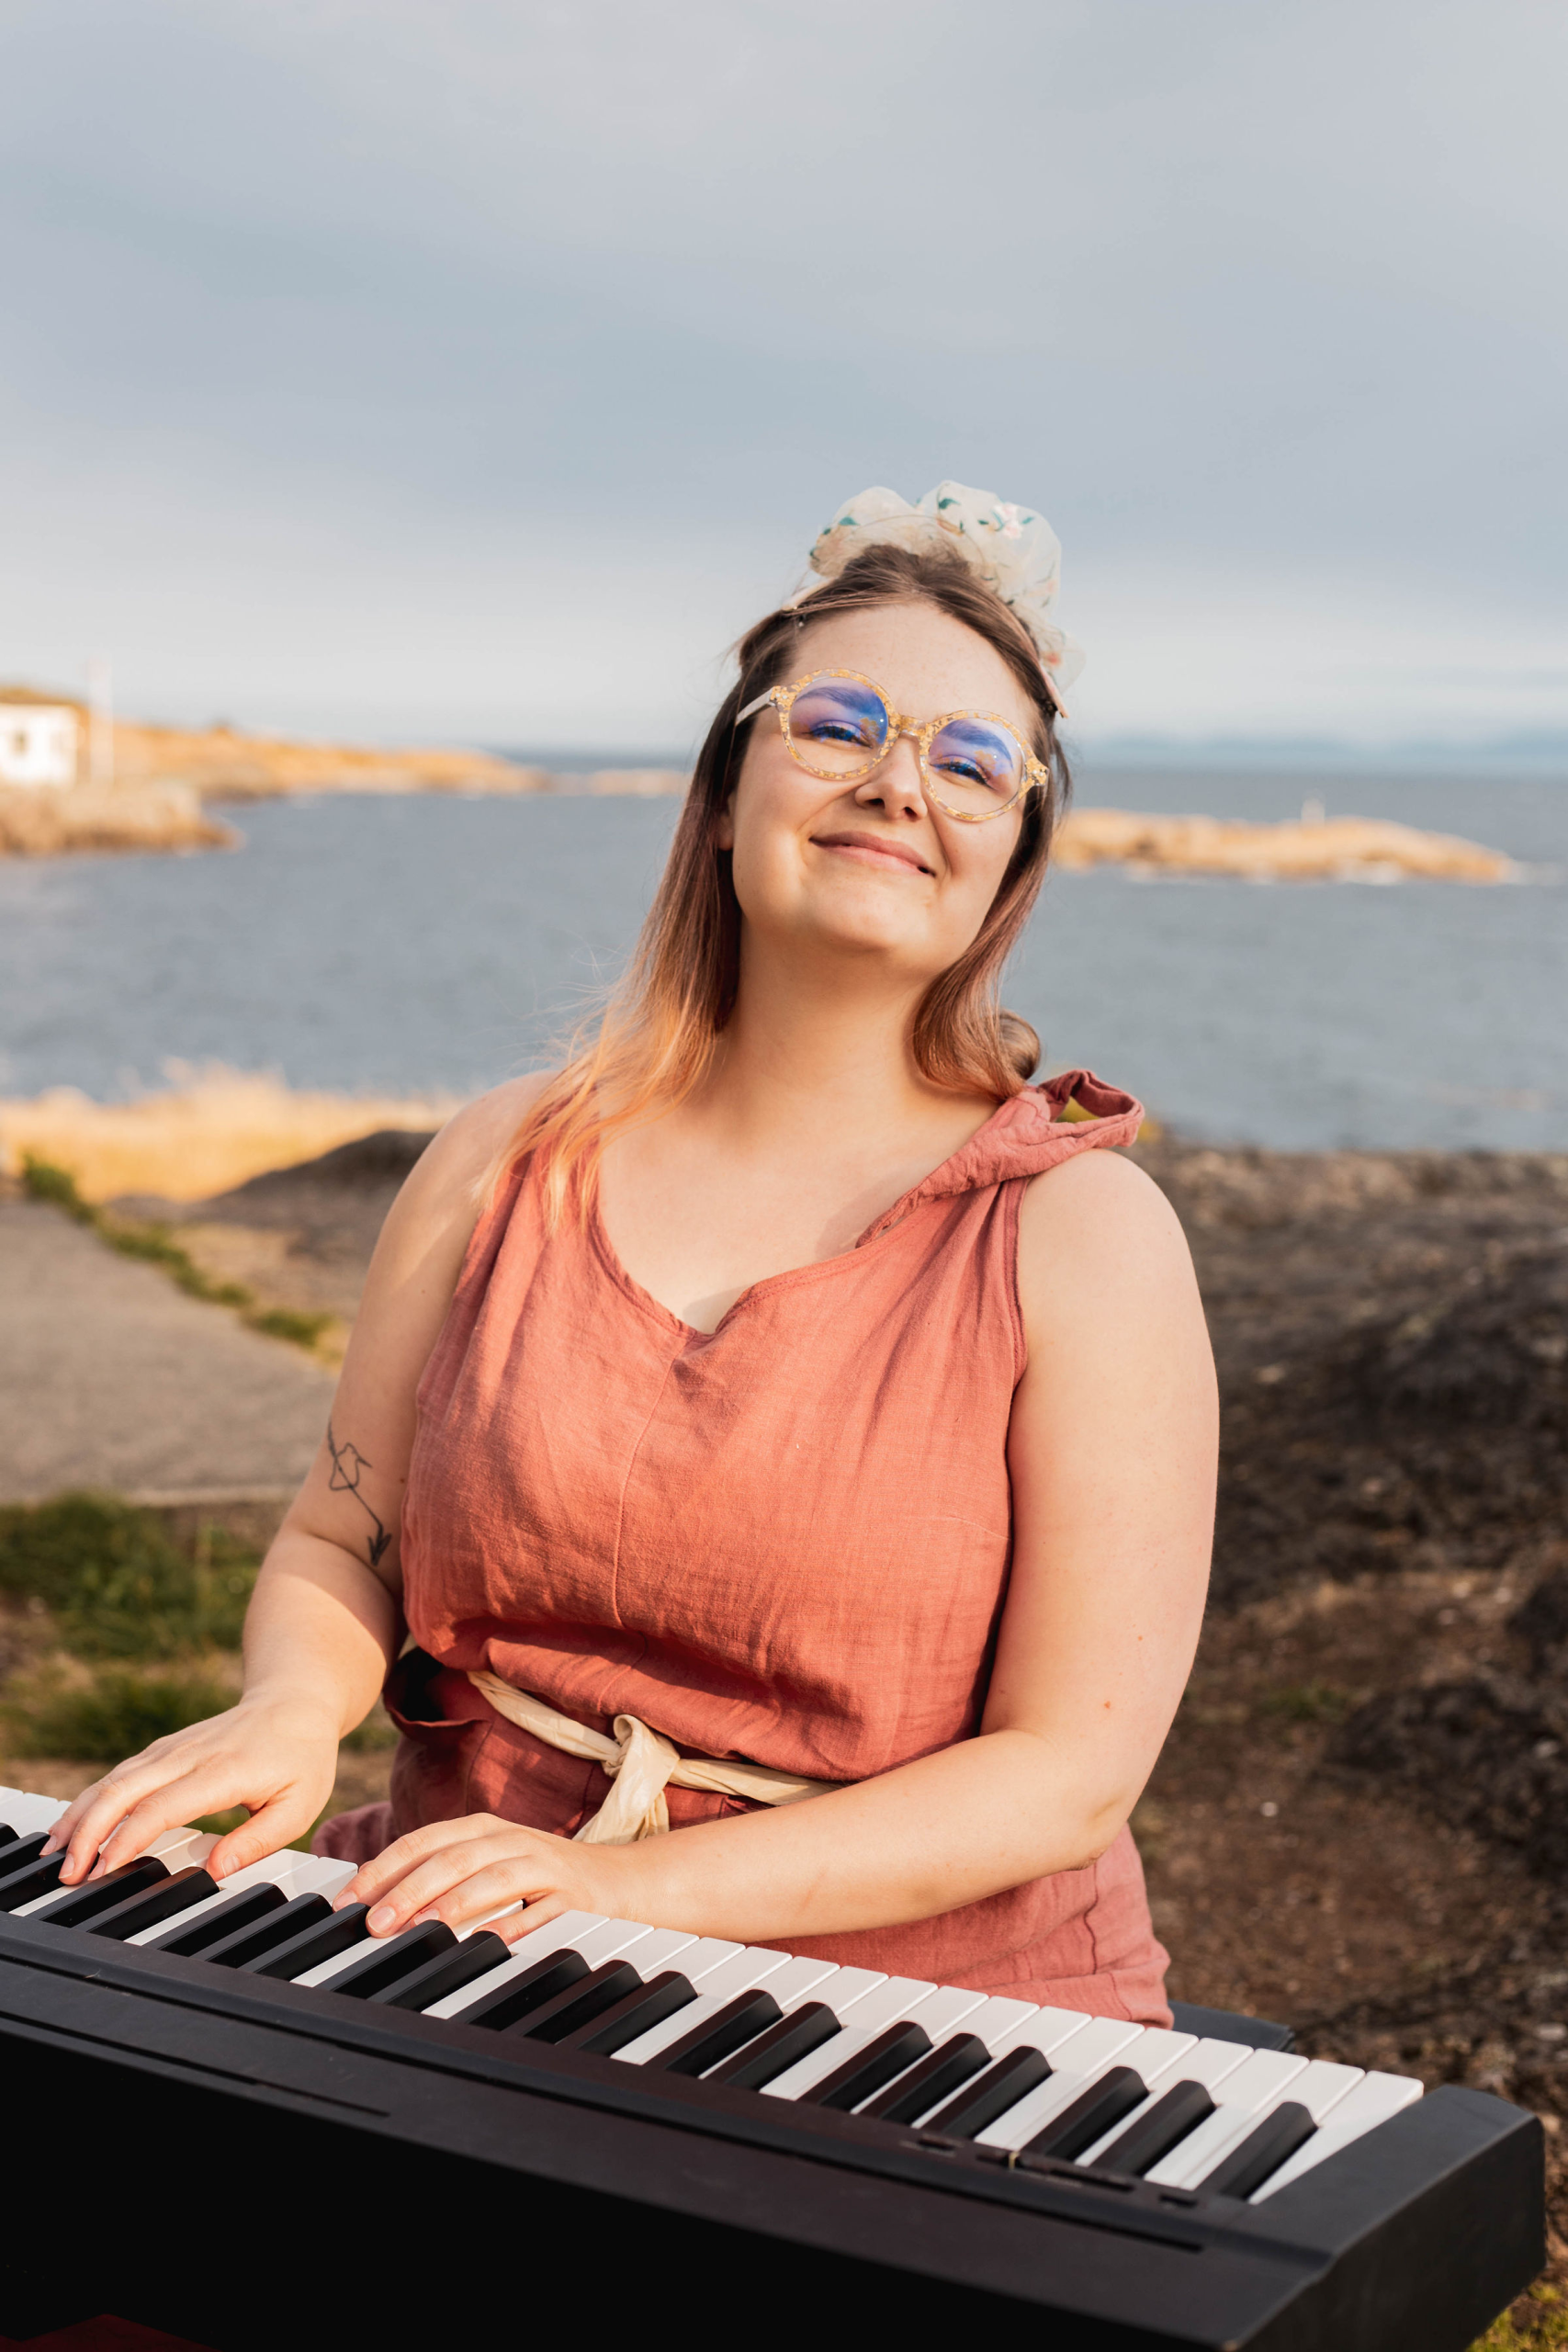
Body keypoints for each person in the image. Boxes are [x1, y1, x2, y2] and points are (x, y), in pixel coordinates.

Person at [48, 482, 1216, 2022]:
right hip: (459, 1940)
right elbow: (342, 1543)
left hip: (917, 2021)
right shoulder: (499, 1158)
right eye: (840, 724)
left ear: (1011, 861)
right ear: (726, 789)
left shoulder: (1080, 1233)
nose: (898, 781)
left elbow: (1066, 1777)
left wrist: (626, 1893)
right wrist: (289, 1709)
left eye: (973, 761)